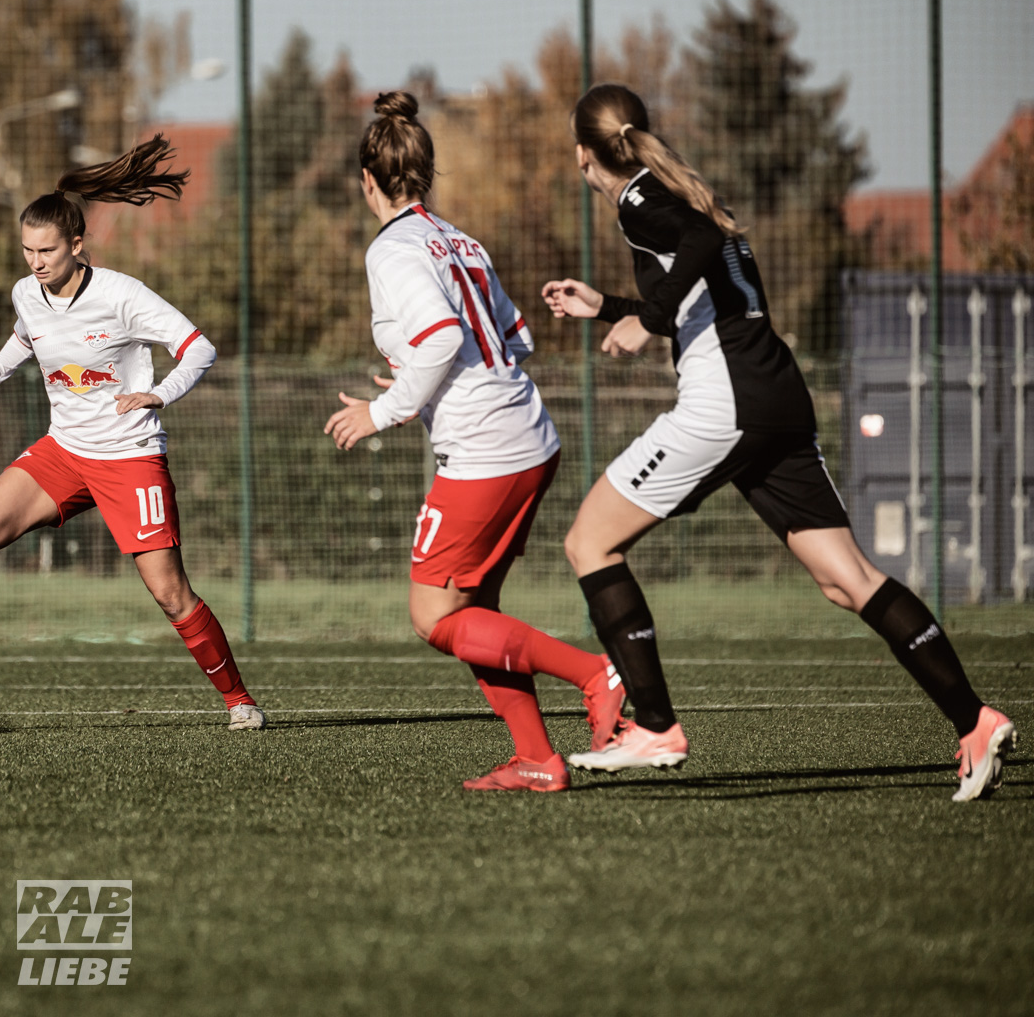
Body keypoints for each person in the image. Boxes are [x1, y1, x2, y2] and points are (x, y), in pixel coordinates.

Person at [542, 82, 1015, 800]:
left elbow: (698, 252)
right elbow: (706, 280)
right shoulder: (673, 190)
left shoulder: (638, 198)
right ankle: (975, 720)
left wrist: (652, 315)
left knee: (589, 543)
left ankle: (656, 725)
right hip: (775, 396)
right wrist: (611, 306)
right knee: (845, 579)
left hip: (726, 402)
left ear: (582, 154)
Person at [323, 91, 628, 792]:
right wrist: (415, 373)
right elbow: (511, 336)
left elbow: (444, 339)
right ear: (426, 174)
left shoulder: (393, 249)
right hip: (527, 432)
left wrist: (384, 410)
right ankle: (537, 759)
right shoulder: (459, 239)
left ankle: (597, 673)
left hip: (487, 449)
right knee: (473, 613)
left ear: (366, 181)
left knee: (433, 615)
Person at [0, 136, 264, 730]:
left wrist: (160, 392)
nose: (35, 261)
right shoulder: (26, 293)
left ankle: (240, 701)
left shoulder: (121, 294)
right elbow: (24, 339)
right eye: (27, 250)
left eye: (48, 250)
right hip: (65, 451)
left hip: (129, 458)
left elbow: (199, 348)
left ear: (77, 245)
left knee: (169, 592)